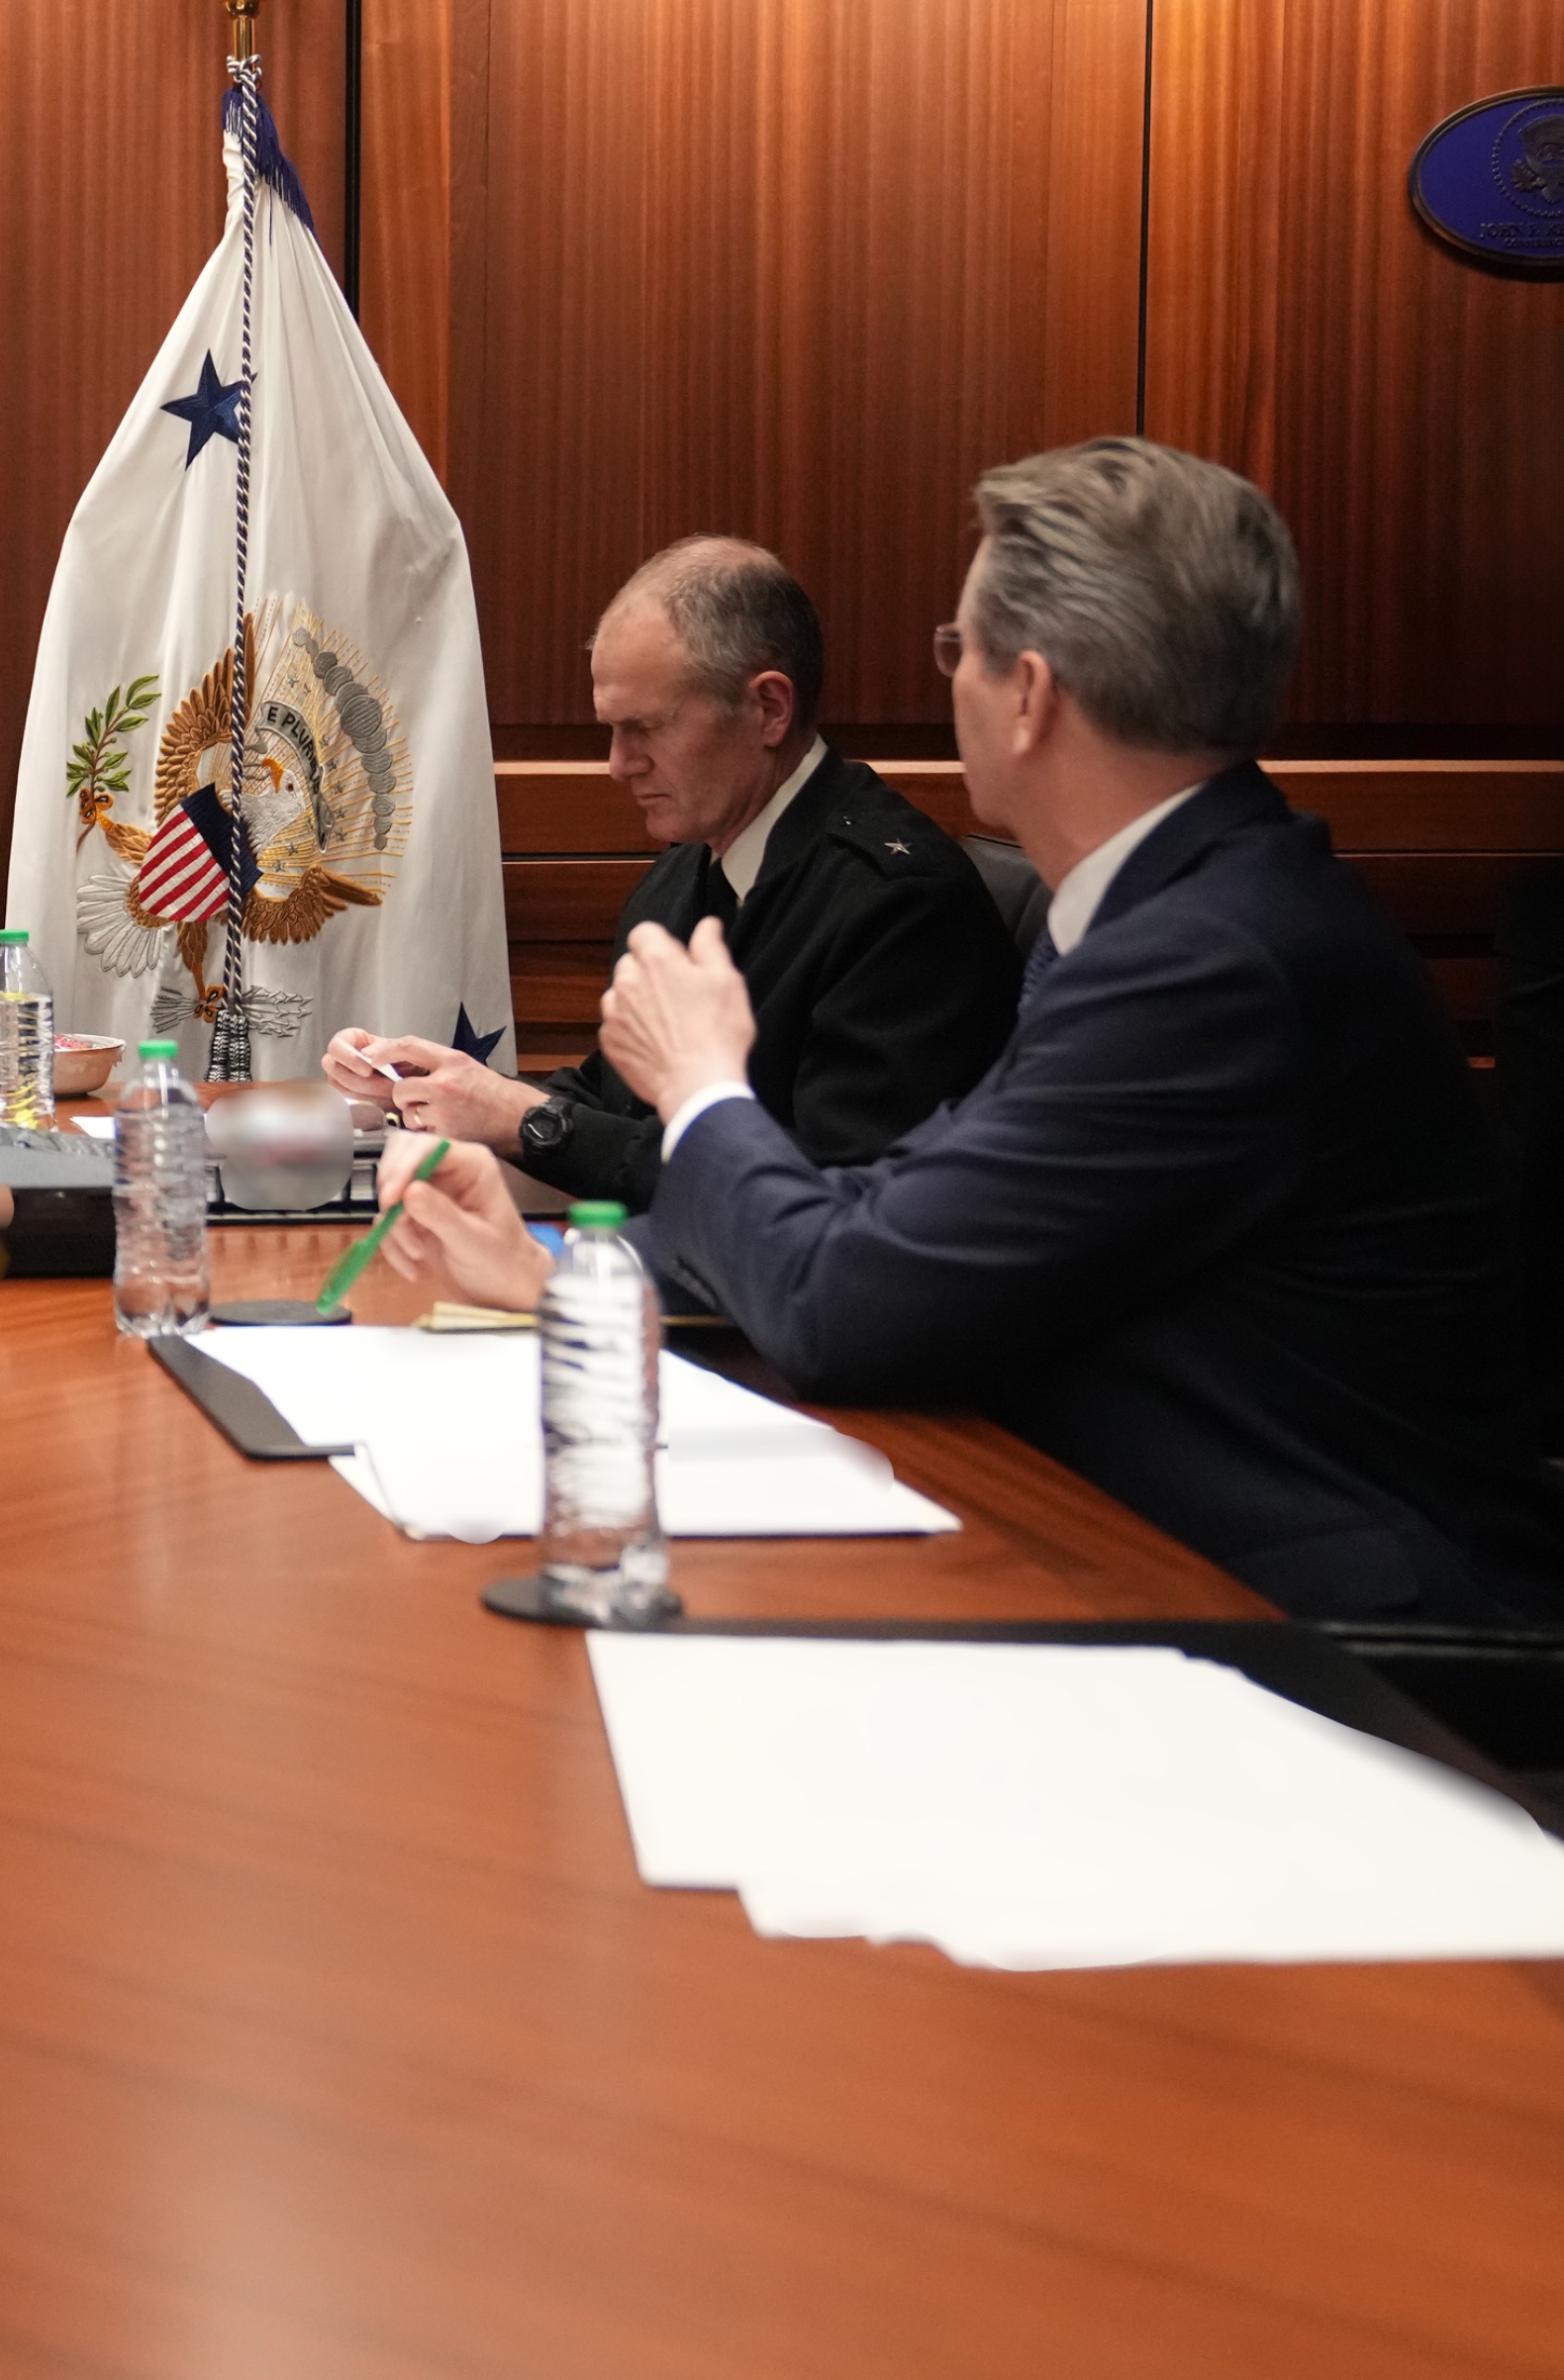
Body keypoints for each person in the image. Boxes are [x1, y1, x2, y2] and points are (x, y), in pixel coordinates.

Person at [367, 441, 1562, 1621]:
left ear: (1029, 693)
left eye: (958, 649)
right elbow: (896, 1206)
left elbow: (847, 1304)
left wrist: (701, 1086)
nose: (950, 682)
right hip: (1125, 1542)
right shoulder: (1166, 909)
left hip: (1327, 1635)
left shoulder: (1211, 962)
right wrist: (560, 1275)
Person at [324, 536, 1017, 1208]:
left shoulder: (901, 908)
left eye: (647, 727)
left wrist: (525, 1119)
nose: (618, 764)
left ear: (769, 709)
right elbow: (616, 1106)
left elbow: (823, 1200)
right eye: (611, 729)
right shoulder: (687, 869)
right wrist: (445, 1089)